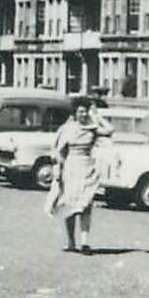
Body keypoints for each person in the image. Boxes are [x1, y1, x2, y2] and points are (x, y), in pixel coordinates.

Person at [44, 96, 114, 254]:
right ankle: (70, 242)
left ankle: (84, 243)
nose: (83, 115)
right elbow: (58, 151)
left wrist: (97, 116)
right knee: (69, 206)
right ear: (75, 113)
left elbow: (110, 130)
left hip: (87, 168)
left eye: (86, 111)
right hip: (71, 168)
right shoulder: (67, 129)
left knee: (85, 206)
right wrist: (58, 169)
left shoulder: (92, 127)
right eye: (80, 111)